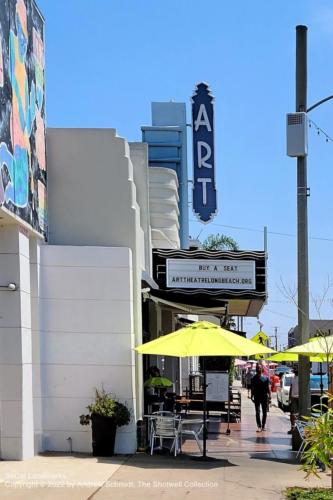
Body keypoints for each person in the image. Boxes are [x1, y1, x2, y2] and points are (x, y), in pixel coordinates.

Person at [251, 364, 271, 432]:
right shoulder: (253, 378)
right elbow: (252, 388)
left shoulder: (266, 378)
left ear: (262, 369)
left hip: (264, 397)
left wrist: (270, 395)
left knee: (264, 412)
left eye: (259, 368)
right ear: (256, 369)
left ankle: (263, 426)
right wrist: (251, 396)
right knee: (257, 412)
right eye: (257, 368)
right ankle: (259, 426)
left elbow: (268, 387)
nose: (258, 369)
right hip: (257, 396)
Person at [288, 367, 299, 434]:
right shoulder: (293, 378)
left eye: (296, 369)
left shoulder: (302, 378)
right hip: (293, 398)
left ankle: (298, 429)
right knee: (292, 414)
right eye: (295, 369)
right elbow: (291, 388)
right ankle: (292, 428)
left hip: (300, 398)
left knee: (299, 414)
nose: (295, 370)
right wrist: (289, 398)